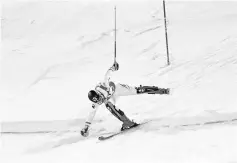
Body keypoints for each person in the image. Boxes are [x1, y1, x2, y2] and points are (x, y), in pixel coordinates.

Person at [80, 62, 170, 137]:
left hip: (118, 89)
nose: (100, 101)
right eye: (98, 101)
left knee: (137, 90)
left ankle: (161, 90)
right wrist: (86, 127)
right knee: (108, 105)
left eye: (100, 99)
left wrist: (113, 67)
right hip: (111, 98)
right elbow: (91, 114)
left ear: (99, 94)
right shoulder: (96, 102)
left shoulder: (104, 85)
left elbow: (107, 75)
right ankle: (127, 122)